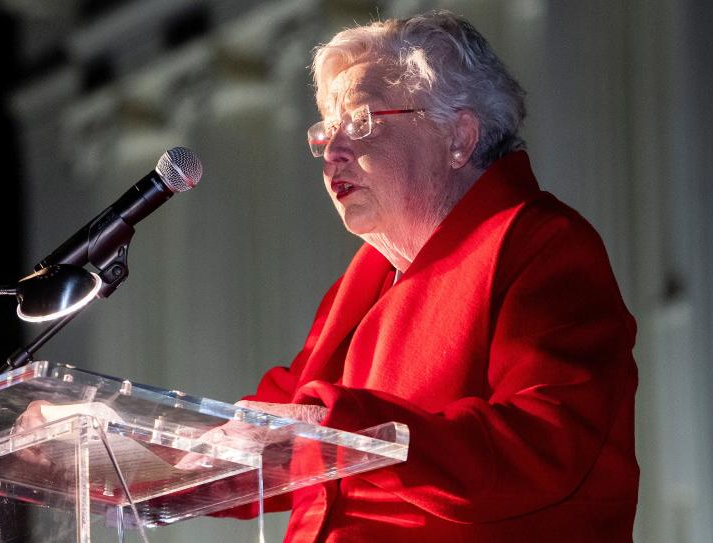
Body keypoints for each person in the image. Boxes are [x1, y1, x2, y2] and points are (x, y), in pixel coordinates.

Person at [212, 9, 639, 542]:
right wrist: (131, 458)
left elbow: (542, 445)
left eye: (363, 122)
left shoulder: (541, 244)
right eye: (328, 133)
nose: (334, 153)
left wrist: (341, 424)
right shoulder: (362, 282)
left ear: (459, 135)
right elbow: (273, 433)